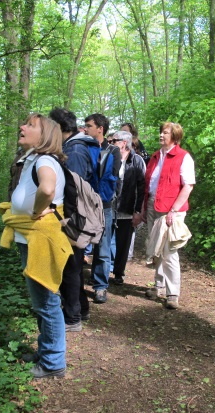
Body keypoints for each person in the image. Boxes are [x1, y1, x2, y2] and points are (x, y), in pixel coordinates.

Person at [0, 114, 70, 378]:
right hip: (30, 238)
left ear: (45, 136)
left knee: (47, 302)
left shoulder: (44, 160)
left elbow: (48, 189)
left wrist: (39, 209)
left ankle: (53, 363)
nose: (22, 126)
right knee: (42, 302)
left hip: (39, 238)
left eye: (30, 125)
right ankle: (47, 350)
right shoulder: (31, 158)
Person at [49, 107, 97, 331]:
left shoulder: (75, 151)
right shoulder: (71, 147)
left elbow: (74, 190)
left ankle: (72, 317)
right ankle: (80, 310)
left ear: (60, 128)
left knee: (71, 267)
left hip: (73, 219)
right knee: (73, 266)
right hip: (72, 217)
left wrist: (65, 219)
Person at [142, 122, 195, 310]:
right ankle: (159, 286)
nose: (161, 135)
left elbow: (188, 186)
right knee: (155, 246)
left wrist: (173, 210)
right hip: (152, 206)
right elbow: (148, 186)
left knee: (169, 251)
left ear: (175, 137)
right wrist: (143, 208)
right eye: (161, 132)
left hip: (171, 209)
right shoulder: (155, 156)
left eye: (165, 133)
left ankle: (173, 293)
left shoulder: (183, 157)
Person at [84, 113, 121, 304]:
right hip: (84, 204)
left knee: (103, 246)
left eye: (89, 126)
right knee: (81, 242)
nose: (85, 128)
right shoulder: (82, 147)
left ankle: (100, 286)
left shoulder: (113, 151)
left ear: (100, 128)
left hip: (104, 205)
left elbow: (111, 178)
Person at [110, 130, 146, 284]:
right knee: (103, 243)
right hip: (108, 209)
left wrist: (138, 211)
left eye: (114, 141)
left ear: (124, 143)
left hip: (127, 209)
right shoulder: (110, 157)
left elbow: (142, 187)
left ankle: (118, 273)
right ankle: (101, 273)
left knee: (123, 244)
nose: (111, 143)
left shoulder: (137, 161)